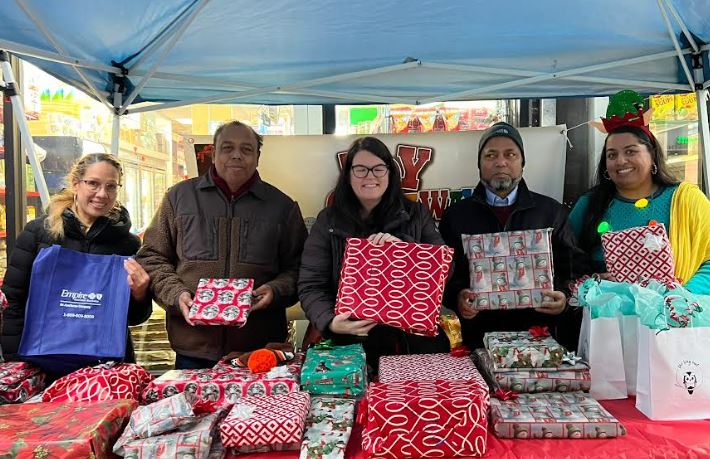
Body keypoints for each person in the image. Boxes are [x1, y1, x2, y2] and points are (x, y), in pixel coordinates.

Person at [137, 121, 307, 369]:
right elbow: (152, 257)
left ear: (257, 157)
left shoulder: (282, 207)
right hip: (193, 349)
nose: (236, 155)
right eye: (227, 148)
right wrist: (176, 294)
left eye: (246, 149)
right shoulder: (179, 198)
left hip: (258, 351)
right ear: (213, 153)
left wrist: (276, 290)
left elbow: (301, 267)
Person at [298, 136, 449, 370]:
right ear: (348, 175)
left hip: (410, 346)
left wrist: (405, 250)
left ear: (390, 173)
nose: (370, 176)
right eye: (360, 169)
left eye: (379, 168)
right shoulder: (328, 221)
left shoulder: (416, 214)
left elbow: (443, 270)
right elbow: (311, 284)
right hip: (348, 347)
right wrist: (331, 321)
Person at [439, 122, 588, 350]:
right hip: (477, 340)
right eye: (490, 155)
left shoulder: (551, 212)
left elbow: (574, 269)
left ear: (522, 163)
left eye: (510, 154)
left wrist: (564, 297)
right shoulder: (455, 216)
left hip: (541, 340)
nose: (501, 162)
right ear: (479, 165)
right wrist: (457, 297)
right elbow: (444, 276)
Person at [0, 153, 152, 362]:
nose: (102, 194)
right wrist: (16, 360)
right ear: (75, 184)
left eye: (111, 186)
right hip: (44, 360)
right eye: (93, 183)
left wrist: (140, 294)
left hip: (105, 367)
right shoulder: (39, 233)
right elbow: (13, 301)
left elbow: (134, 318)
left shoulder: (128, 244)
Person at [569, 124, 710, 293]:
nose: (620, 161)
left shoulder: (686, 199)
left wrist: (683, 295)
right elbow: (564, 259)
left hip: (679, 305)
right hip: (605, 307)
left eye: (630, 151)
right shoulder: (589, 204)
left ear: (653, 155)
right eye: (612, 155)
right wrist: (591, 281)